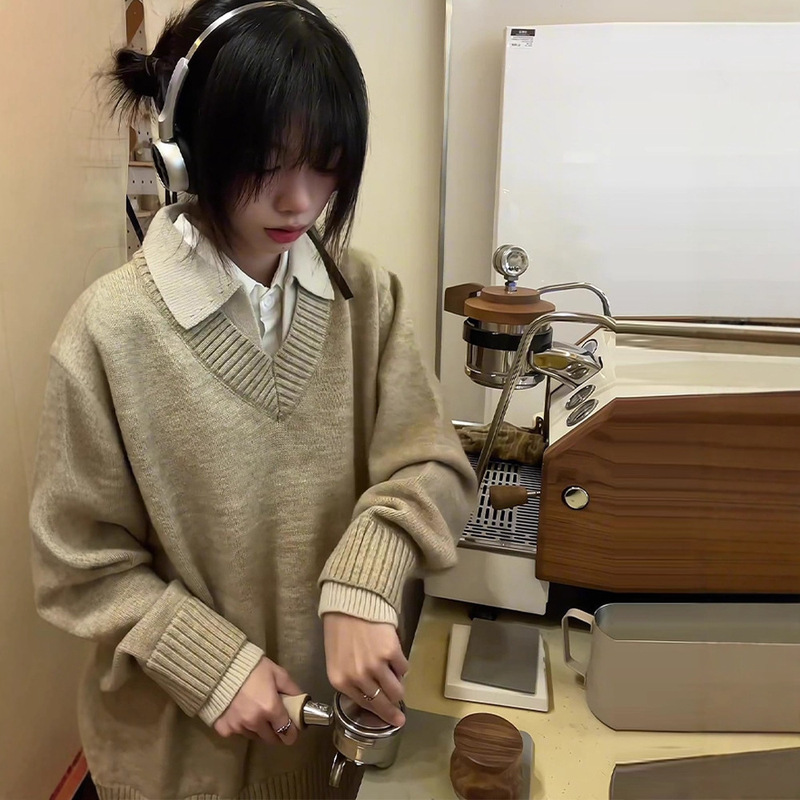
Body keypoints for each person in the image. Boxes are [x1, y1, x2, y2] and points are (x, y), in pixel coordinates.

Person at [28, 1, 477, 798]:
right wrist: (210, 664)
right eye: (266, 165)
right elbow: (79, 567)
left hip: (336, 744)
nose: (300, 201)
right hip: (179, 763)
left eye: (326, 164)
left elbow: (432, 463)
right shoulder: (110, 331)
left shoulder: (367, 295)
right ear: (185, 152)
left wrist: (368, 572)